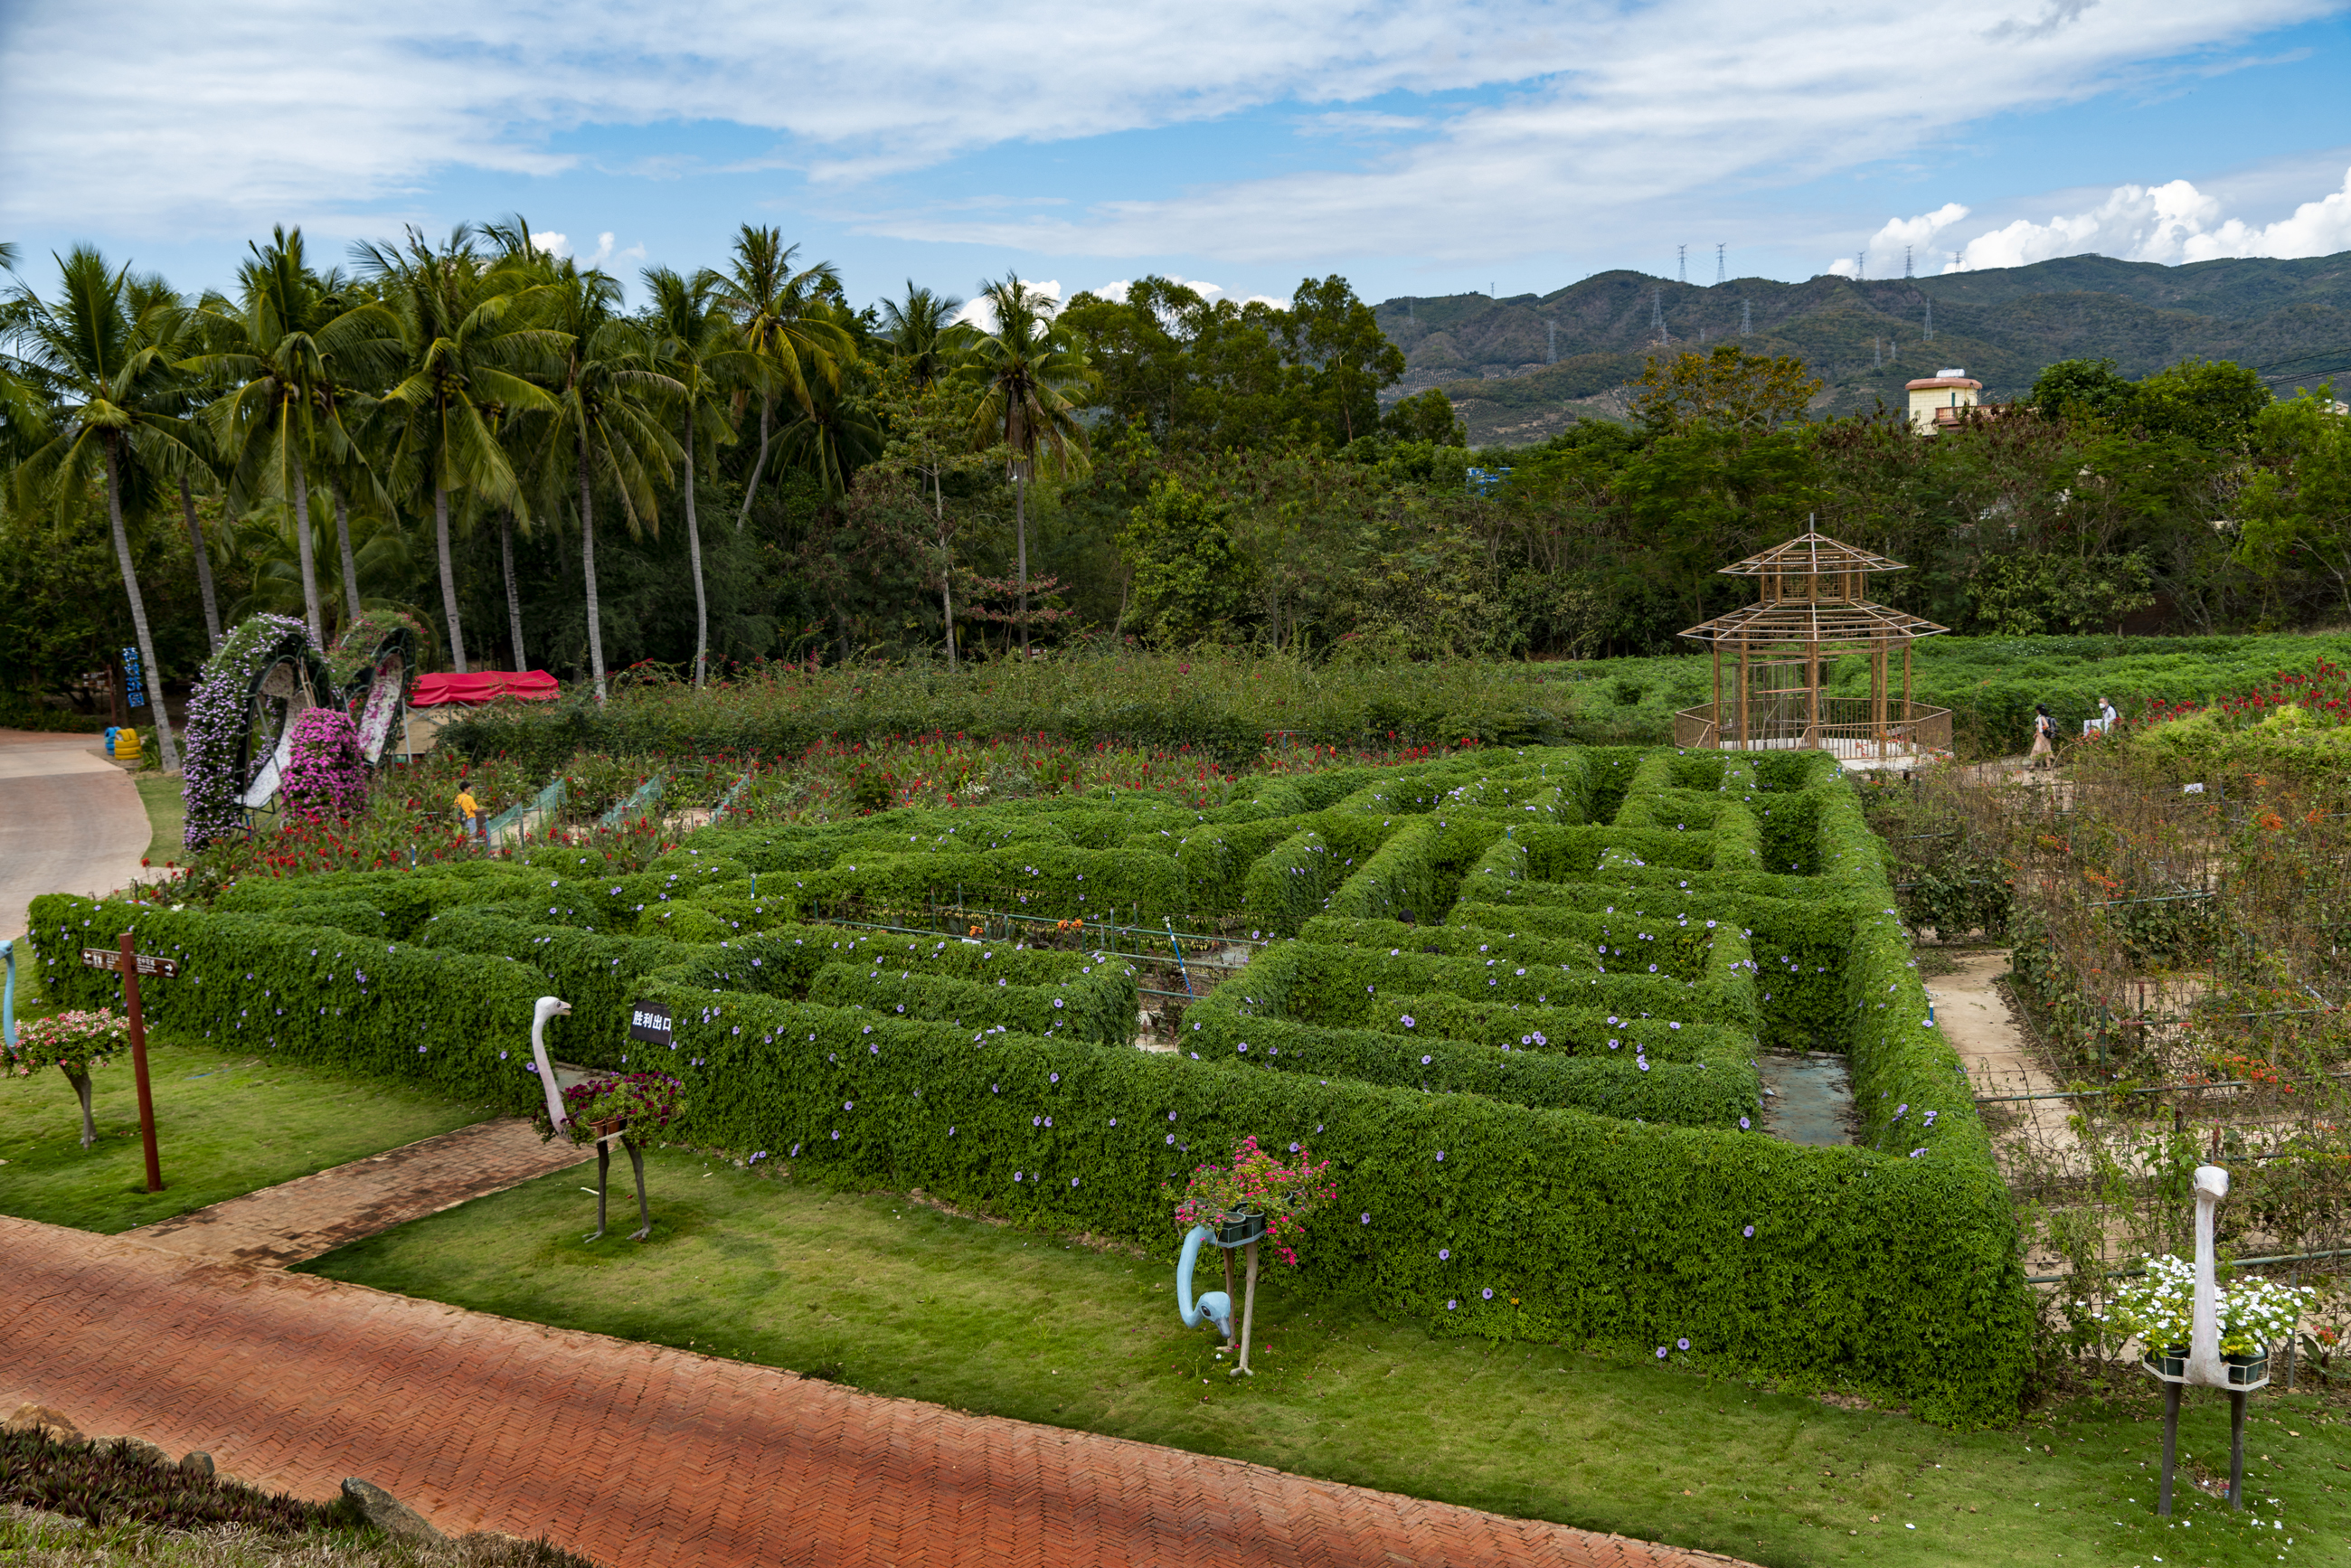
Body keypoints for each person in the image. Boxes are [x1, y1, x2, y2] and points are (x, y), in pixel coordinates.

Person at [2027, 704, 2056, 770]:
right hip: (2046, 736)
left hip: (2042, 736)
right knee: (2046, 750)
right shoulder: (2047, 717)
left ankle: (2032, 765)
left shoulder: (2041, 717)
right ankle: (2048, 766)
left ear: (2038, 710)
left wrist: (2040, 729)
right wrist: (2036, 733)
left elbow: (2046, 726)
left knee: (2035, 749)